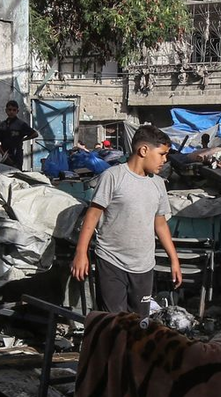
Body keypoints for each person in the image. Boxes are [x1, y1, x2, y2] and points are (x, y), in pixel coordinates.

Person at [71, 124, 183, 314]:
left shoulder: (158, 184)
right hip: (111, 261)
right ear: (144, 150)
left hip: (144, 266)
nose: (165, 160)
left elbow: (160, 223)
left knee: (139, 325)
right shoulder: (113, 177)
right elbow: (92, 216)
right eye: (162, 154)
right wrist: (81, 253)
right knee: (113, 323)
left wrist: (174, 260)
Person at [0, 99, 38, 168]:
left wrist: (23, 139)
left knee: (17, 175)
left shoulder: (21, 124)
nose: (11, 112)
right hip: (5, 156)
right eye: (10, 109)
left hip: (17, 155)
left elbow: (35, 134)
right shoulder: (2, 125)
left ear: (17, 111)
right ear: (6, 111)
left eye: (14, 110)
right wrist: (3, 154)